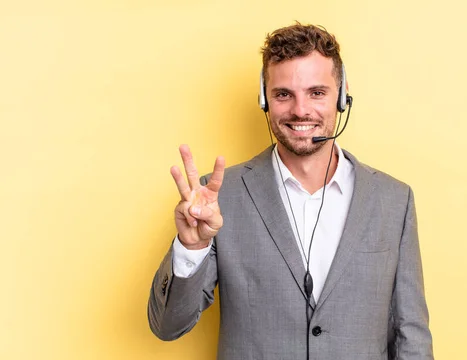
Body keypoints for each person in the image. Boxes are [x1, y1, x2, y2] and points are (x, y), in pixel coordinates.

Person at [148, 23, 434, 360]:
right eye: (284, 94)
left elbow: (409, 334)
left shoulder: (393, 200)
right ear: (264, 100)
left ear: (341, 98)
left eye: (317, 92)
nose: (300, 110)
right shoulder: (219, 199)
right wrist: (190, 247)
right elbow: (167, 326)